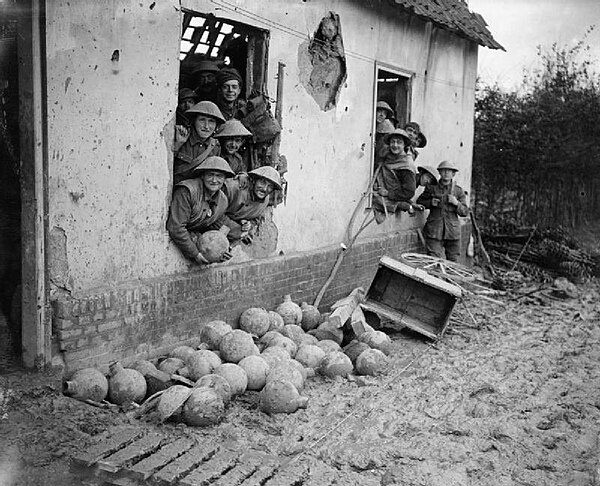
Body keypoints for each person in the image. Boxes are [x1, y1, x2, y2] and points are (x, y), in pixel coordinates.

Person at [166, 156, 234, 265]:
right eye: (210, 175)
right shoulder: (187, 191)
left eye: (219, 176)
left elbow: (216, 224)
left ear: (225, 179)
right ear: (202, 176)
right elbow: (176, 228)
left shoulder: (223, 200)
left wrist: (222, 247)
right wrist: (195, 253)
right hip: (175, 246)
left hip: (195, 239)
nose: (214, 180)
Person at [416, 160, 469, 262]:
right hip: (435, 230)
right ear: (439, 173)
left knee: (453, 263)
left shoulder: (458, 191)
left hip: (452, 233)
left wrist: (456, 203)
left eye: (449, 171)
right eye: (443, 170)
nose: (446, 173)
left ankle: (450, 279)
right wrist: (431, 203)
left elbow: (465, 212)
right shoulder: (431, 188)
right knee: (433, 261)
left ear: (453, 174)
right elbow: (420, 202)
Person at [221, 165, 282, 245]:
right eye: (262, 182)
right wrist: (237, 229)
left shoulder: (265, 200)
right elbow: (216, 213)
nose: (264, 189)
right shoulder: (233, 187)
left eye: (270, 186)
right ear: (254, 180)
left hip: (230, 233)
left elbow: (255, 219)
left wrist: (248, 224)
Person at [173, 101, 225, 184]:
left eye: (211, 121)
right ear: (194, 121)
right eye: (202, 120)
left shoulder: (215, 147)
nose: (206, 126)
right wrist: (178, 144)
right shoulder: (181, 136)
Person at [372, 128, 416, 224]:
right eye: (393, 142)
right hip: (381, 189)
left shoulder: (406, 164)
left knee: (375, 199)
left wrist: (388, 193)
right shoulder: (388, 156)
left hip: (392, 196)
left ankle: (403, 205)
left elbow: (409, 191)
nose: (395, 145)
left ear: (404, 145)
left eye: (399, 142)